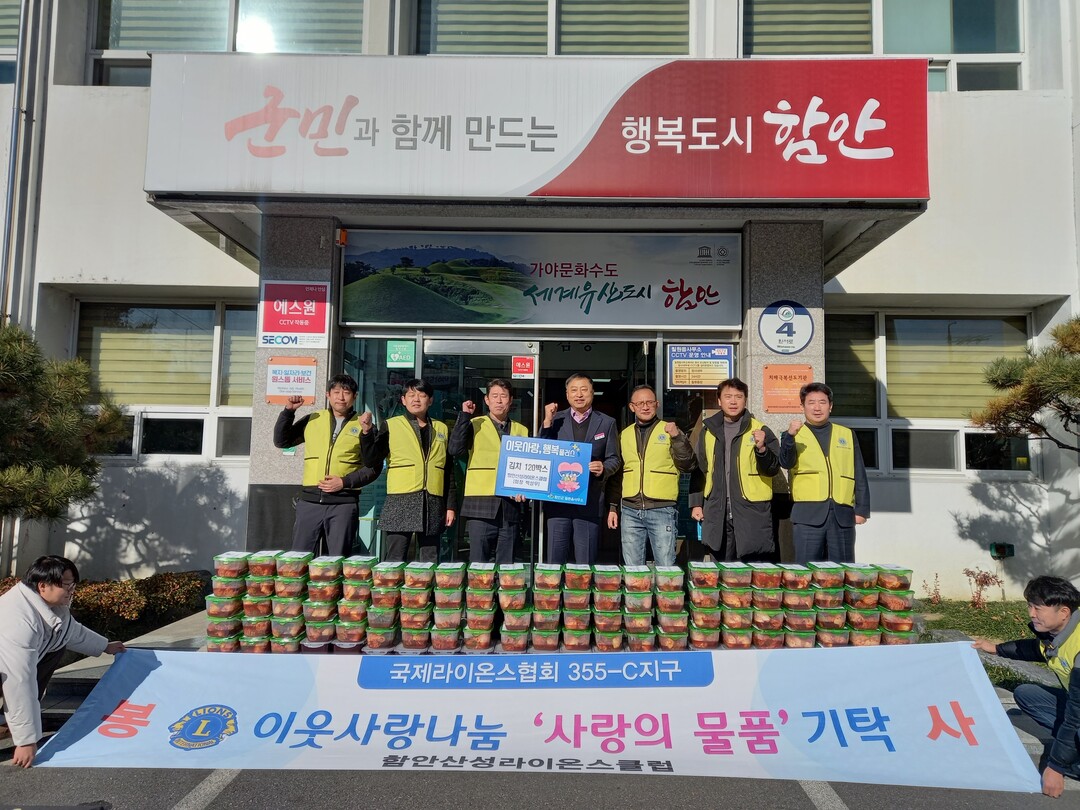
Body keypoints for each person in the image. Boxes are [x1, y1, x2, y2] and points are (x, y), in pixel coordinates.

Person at [0, 556, 126, 768]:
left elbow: (70, 632)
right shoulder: (18, 620)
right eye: (66, 585)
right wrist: (26, 741)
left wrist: (105, 646)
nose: (71, 591)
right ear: (42, 586)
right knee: (20, 681)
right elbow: (19, 680)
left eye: (73, 585)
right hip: (8, 672)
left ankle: (6, 722)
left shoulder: (52, 608)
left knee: (57, 644)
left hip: (9, 670)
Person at [973, 576, 1080, 798]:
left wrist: (1056, 766)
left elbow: (1075, 714)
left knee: (1074, 723)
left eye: (1038, 608)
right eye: (1029, 606)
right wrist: (996, 649)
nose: (1031, 613)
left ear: (1064, 612)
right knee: (1026, 694)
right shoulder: (1058, 635)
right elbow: (1034, 649)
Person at [273, 373, 382, 557]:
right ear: (328, 395)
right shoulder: (313, 419)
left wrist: (344, 482)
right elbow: (282, 441)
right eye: (336, 392)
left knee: (338, 559)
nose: (341, 397)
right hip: (309, 502)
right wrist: (288, 411)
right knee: (299, 558)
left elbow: (373, 467)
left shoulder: (364, 425)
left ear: (355, 396)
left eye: (346, 393)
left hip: (343, 504)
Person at [360, 379, 456, 562]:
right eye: (411, 395)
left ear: (430, 400)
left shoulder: (442, 428)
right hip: (400, 501)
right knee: (395, 557)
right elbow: (371, 459)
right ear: (403, 400)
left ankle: (424, 583)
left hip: (432, 502)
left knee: (430, 559)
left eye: (422, 395)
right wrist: (366, 433)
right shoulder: (391, 425)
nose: (416, 399)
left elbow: (447, 470)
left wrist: (450, 506)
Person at [688, 377, 782, 562]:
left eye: (738, 397)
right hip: (717, 509)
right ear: (719, 400)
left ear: (745, 400)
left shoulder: (760, 430)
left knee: (751, 567)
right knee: (720, 566)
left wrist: (762, 449)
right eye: (728, 396)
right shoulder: (708, 431)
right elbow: (700, 469)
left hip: (750, 511)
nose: (733, 401)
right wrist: (696, 503)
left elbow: (773, 469)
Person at [778, 382, 870, 564]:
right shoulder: (793, 434)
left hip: (842, 515)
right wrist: (789, 437)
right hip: (807, 515)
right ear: (802, 407)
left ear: (831, 406)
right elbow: (786, 462)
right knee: (806, 570)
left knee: (842, 570)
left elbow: (859, 473)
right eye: (811, 402)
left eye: (822, 402)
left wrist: (862, 509)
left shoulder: (846, 434)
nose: (817, 408)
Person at [608, 385, 695, 566]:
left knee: (665, 566)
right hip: (630, 510)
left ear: (657, 404)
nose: (645, 407)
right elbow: (618, 475)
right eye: (640, 403)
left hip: (662, 509)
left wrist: (677, 438)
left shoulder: (670, 430)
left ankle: (664, 588)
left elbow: (688, 465)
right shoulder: (624, 435)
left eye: (649, 402)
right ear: (632, 407)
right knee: (633, 569)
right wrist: (613, 506)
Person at [540, 373, 620, 565]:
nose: (579, 394)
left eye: (584, 390)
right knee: (554, 561)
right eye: (574, 390)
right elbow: (541, 452)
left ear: (592, 393)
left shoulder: (607, 422)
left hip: (589, 501)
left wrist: (604, 468)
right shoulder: (556, 419)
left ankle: (582, 587)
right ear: (567, 394)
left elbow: (615, 458)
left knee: (585, 562)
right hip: (558, 501)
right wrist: (547, 422)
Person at [448, 378, 528, 564]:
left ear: (511, 400)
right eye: (495, 396)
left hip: (510, 506)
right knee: (479, 563)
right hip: (480, 503)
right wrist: (464, 416)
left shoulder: (521, 430)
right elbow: (454, 449)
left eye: (504, 396)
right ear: (487, 400)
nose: (499, 400)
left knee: (506, 565)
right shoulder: (474, 423)